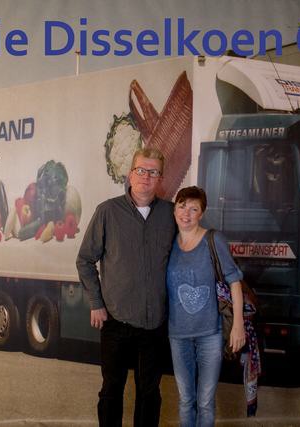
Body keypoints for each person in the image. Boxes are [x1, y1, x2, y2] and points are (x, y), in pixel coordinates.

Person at [76, 148, 176, 427]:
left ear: (160, 179)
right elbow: (85, 260)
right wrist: (96, 303)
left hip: (155, 324)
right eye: (141, 170)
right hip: (116, 321)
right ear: (130, 174)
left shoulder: (171, 215)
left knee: (149, 393)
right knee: (111, 390)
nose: (146, 177)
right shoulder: (107, 212)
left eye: (153, 172)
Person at [166, 186, 246, 427]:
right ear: (174, 209)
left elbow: (235, 282)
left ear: (201, 213)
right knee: (185, 400)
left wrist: (238, 325)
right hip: (178, 334)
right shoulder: (168, 243)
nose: (186, 213)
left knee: (205, 402)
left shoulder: (213, 240)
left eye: (194, 209)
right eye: (182, 206)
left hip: (210, 334)